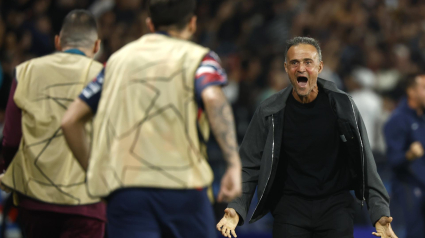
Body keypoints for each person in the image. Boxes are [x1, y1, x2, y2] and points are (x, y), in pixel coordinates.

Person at [61, 0, 242, 237]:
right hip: (183, 186)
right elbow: (213, 97)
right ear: (192, 23)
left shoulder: (117, 61)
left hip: (126, 190)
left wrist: (93, 171)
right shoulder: (200, 59)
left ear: (149, 24)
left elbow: (70, 121)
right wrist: (233, 163)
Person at [217, 37, 398, 238]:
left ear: (320, 67)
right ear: (286, 68)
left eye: (308, 62)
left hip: (336, 207)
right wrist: (236, 207)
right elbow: (248, 165)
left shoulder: (343, 105)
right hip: (289, 209)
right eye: (294, 62)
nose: (301, 68)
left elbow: (365, 162)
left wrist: (380, 212)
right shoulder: (269, 110)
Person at [0, 10, 106, 238]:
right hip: (87, 202)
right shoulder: (107, 76)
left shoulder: (26, 72)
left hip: (36, 199)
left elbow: (11, 140)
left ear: (58, 41)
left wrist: (10, 172)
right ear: (96, 45)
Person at [384, 74, 425, 238]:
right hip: (407, 188)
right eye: (424, 88)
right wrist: (409, 155)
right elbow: (392, 160)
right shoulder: (397, 119)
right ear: (411, 91)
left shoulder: (421, 117)